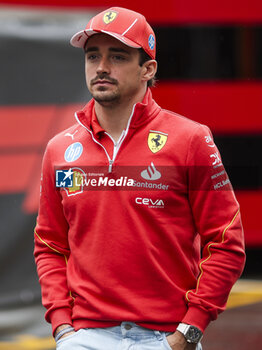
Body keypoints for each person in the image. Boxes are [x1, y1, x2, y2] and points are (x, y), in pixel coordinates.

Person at [34, 7, 246, 350]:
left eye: (117, 56)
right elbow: (49, 245)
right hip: (84, 337)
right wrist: (62, 328)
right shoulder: (60, 149)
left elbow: (226, 243)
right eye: (93, 56)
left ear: (148, 69)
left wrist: (188, 332)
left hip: (166, 338)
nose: (101, 67)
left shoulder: (190, 140)